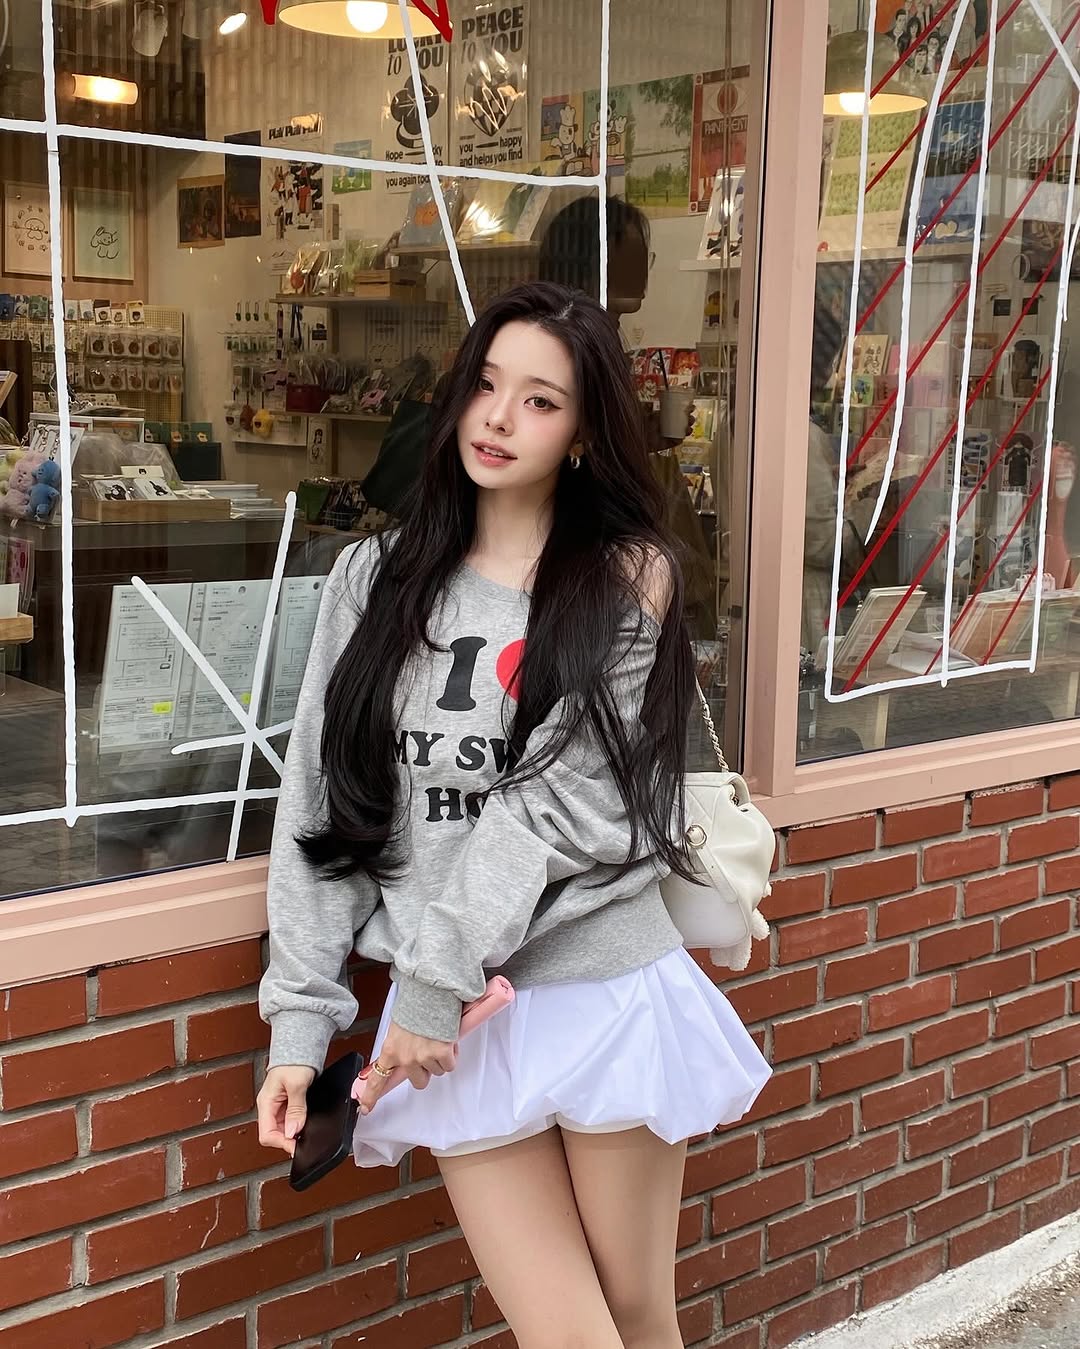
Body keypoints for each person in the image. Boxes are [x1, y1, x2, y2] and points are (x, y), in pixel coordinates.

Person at [256, 281, 771, 1347]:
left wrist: (429, 986)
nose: (497, 418)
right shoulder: (372, 579)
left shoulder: (625, 578)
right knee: (563, 1332)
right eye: (486, 385)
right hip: (455, 1016)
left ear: (583, 432)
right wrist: (301, 1027)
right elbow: (323, 802)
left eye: (540, 400)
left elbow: (557, 801)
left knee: (635, 1311)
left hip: (594, 983)